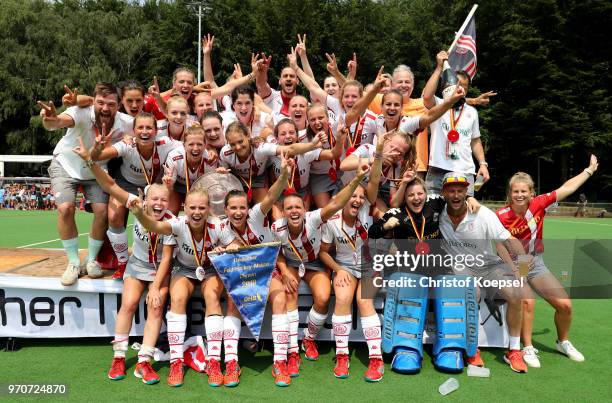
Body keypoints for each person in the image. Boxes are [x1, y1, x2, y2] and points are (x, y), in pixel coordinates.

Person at [72, 137, 175, 385]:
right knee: (128, 304)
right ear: (145, 198)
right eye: (155, 199)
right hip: (137, 266)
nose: (159, 204)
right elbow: (108, 184)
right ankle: (119, 356)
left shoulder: (172, 221)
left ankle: (144, 361)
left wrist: (155, 288)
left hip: (159, 271)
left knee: (156, 306)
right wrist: (89, 160)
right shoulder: (136, 205)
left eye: (163, 199)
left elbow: (167, 259)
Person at [369, 170, 481, 373]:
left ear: (425, 193)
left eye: (419, 193)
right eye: (411, 195)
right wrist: (386, 226)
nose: (416, 198)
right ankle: (407, 347)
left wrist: (471, 197)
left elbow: (453, 195)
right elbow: (372, 232)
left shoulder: (436, 202)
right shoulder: (396, 214)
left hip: (439, 267)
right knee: (409, 284)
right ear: (405, 197)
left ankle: (450, 347)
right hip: (412, 271)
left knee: (450, 286)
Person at [131, 185, 239, 387]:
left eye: (201, 208)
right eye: (192, 208)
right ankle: (176, 362)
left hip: (209, 270)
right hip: (184, 269)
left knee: (213, 297)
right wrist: (139, 214)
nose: (197, 212)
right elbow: (155, 226)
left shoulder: (218, 226)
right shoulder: (178, 224)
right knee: (178, 298)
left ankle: (214, 361)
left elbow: (236, 245)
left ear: (208, 209)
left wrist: (231, 247)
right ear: (184, 207)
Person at [496, 155, 598, 367]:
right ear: (509, 194)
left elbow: (567, 187)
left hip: (535, 262)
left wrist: (589, 171)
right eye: (515, 191)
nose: (520, 195)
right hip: (511, 266)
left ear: (531, 193)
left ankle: (563, 341)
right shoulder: (500, 215)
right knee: (528, 301)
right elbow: (498, 246)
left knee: (565, 306)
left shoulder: (540, 203)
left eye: (524, 191)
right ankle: (527, 347)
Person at [271, 161, 370, 376]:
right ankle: (292, 351)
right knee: (289, 295)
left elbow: (335, 204)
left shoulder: (313, 218)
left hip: (315, 264)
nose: (294, 211)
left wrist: (355, 180)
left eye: (298, 207)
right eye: (289, 208)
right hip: (290, 265)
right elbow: (276, 253)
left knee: (324, 297)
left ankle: (309, 339)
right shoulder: (277, 228)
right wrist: (285, 272)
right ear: (283, 211)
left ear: (305, 209)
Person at [38, 82, 133, 286]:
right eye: (100, 103)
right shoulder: (80, 112)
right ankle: (73, 262)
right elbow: (56, 123)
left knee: (101, 212)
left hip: (95, 170)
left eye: (111, 104)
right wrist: (49, 119)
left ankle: (91, 260)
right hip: (65, 163)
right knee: (65, 209)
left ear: (119, 105)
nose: (105, 108)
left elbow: (147, 131)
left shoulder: (126, 122)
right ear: (93, 101)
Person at [438, 172, 529, 373]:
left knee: (516, 294)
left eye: (460, 191)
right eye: (451, 191)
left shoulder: (483, 214)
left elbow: (510, 242)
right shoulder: (438, 212)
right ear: (443, 192)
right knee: (473, 292)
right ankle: (472, 348)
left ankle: (513, 350)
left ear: (466, 192)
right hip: (460, 265)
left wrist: (522, 272)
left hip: (488, 265)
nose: (455, 195)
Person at [221, 151, 296, 386]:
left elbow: (273, 194)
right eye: (233, 208)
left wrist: (284, 174)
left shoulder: (256, 214)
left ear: (248, 207)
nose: (238, 212)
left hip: (266, 271)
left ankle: (280, 362)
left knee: (280, 297)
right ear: (225, 210)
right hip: (240, 276)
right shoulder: (219, 228)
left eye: (242, 207)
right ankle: (231, 363)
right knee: (232, 302)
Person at [318, 134, 384, 381]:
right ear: (344, 199)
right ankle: (343, 355)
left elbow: (374, 180)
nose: (357, 199)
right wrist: (338, 269)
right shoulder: (332, 222)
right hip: (344, 265)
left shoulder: (367, 209)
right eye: (352, 196)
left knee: (364, 301)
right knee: (343, 297)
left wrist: (377, 154)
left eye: (359, 197)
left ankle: (376, 359)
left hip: (370, 266)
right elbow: (324, 253)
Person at [88, 112, 179, 279]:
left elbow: (189, 146)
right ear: (134, 130)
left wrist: (209, 151)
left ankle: (163, 259)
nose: (145, 131)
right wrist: (98, 147)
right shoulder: (126, 145)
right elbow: (96, 157)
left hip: (152, 185)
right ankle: (123, 262)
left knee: (170, 215)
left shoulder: (166, 143)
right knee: (114, 217)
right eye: (140, 128)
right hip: (126, 184)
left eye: (149, 127)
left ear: (156, 130)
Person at [422, 51, 490, 196]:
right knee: (433, 214)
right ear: (448, 85)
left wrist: (483, 164)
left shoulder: (472, 112)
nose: (460, 88)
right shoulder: (439, 105)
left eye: (464, 86)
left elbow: (475, 140)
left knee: (464, 215)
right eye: (457, 84)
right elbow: (426, 96)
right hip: (437, 170)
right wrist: (439, 68)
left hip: (465, 171)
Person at [218, 121, 321, 204]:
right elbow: (223, 173)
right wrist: (221, 171)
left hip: (258, 178)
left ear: (248, 136)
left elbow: (290, 149)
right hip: (237, 181)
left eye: (240, 141)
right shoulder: (225, 152)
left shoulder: (261, 148)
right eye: (232, 144)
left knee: (262, 209)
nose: (238, 147)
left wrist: (312, 145)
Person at [268, 118, 345, 219]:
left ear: (297, 136)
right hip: (280, 193)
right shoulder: (271, 150)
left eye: (291, 133)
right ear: (277, 138)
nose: (288, 136)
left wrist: (340, 139)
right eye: (283, 134)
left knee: (301, 219)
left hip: (302, 192)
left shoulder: (307, 151)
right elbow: (265, 135)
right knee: (278, 224)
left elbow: (333, 154)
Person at [164, 125, 217, 215]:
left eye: (199, 144)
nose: (195, 148)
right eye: (191, 144)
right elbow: (169, 188)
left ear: (205, 145)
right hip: (177, 187)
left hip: (200, 189)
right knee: (171, 211)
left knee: (209, 211)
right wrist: (168, 184)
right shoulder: (174, 157)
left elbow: (209, 188)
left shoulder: (210, 159)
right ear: (184, 145)